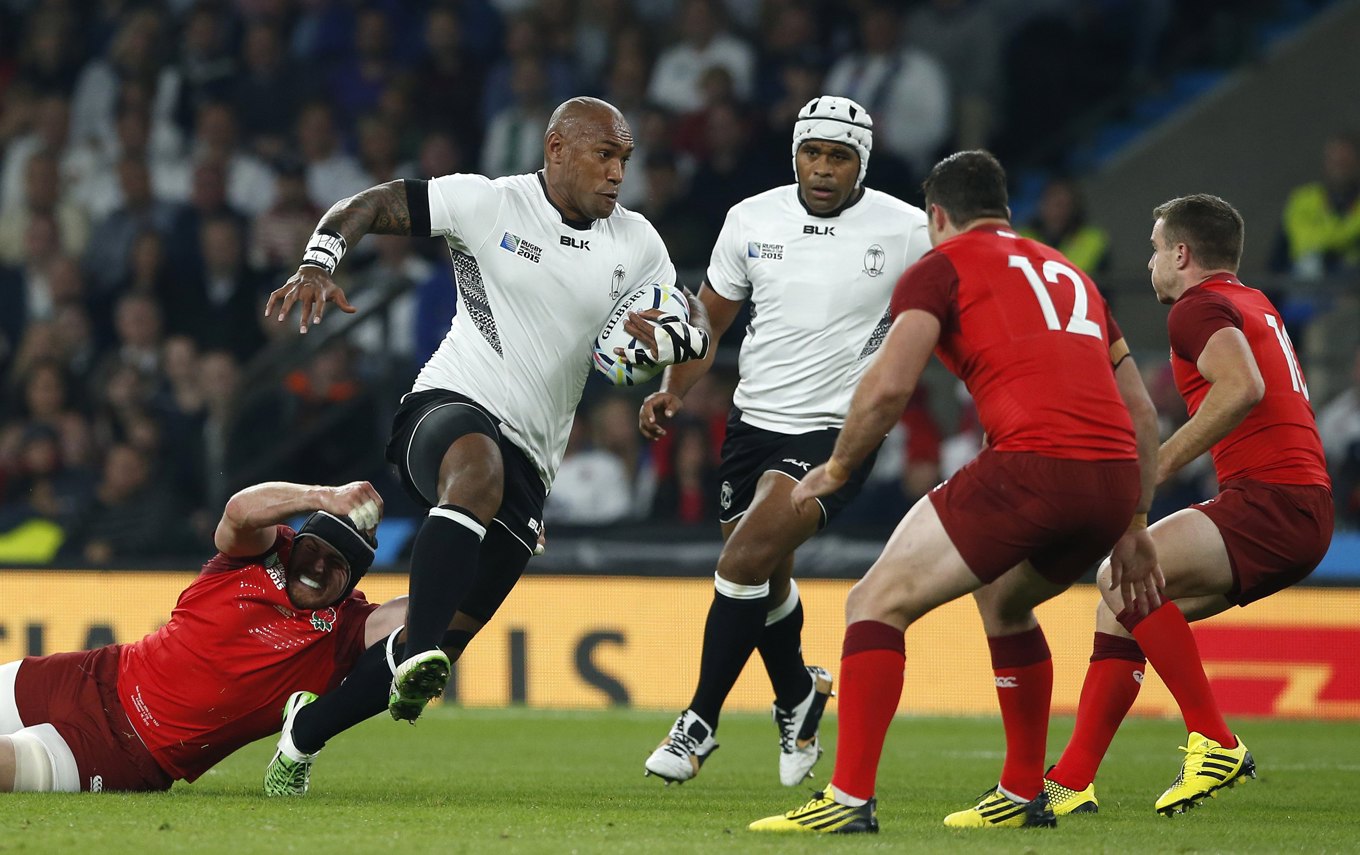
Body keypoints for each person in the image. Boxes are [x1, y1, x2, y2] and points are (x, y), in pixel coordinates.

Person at [261, 96, 710, 794]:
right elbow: (373, 202)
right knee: (475, 469)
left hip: (532, 462)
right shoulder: (488, 203)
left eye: (625, 158)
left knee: (435, 645)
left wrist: (669, 377)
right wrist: (322, 260)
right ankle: (417, 654)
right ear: (557, 148)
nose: (619, 171)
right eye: (605, 154)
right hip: (445, 409)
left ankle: (304, 734)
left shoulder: (640, 243)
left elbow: (678, 323)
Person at [748, 150, 1161, 833]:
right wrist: (1137, 518)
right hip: (1113, 478)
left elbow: (889, 383)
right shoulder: (1070, 273)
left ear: (937, 216)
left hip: (1033, 463)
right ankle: (1025, 790)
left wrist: (839, 467)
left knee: (874, 601)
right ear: (1004, 208)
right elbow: (1141, 408)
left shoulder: (940, 266)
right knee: (1005, 599)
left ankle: (848, 799)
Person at [638, 95, 931, 788]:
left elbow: (959, 305)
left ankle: (698, 724)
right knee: (763, 575)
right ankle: (799, 694)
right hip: (750, 425)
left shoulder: (908, 230)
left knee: (742, 561)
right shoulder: (750, 218)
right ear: (794, 152)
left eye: (839, 157)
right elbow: (709, 318)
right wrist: (674, 387)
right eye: (812, 153)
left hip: (838, 431)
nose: (823, 169)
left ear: (861, 164)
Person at [1042, 194, 1334, 817]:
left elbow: (1244, 388)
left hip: (1272, 501)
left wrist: (1154, 469)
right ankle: (1069, 783)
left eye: (1154, 249)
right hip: (1300, 506)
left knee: (1119, 575)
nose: (1149, 263)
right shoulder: (1250, 300)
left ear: (1182, 253)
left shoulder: (1196, 307)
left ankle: (1215, 740)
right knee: (1120, 610)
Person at [0, 480, 398, 793]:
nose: (317, 565)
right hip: (89, 674)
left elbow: (434, 615)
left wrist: (456, 518)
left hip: (125, 752)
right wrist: (324, 496)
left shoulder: (349, 629)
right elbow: (238, 511)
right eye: (312, 549)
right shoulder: (257, 554)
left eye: (336, 565)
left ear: (352, 583)